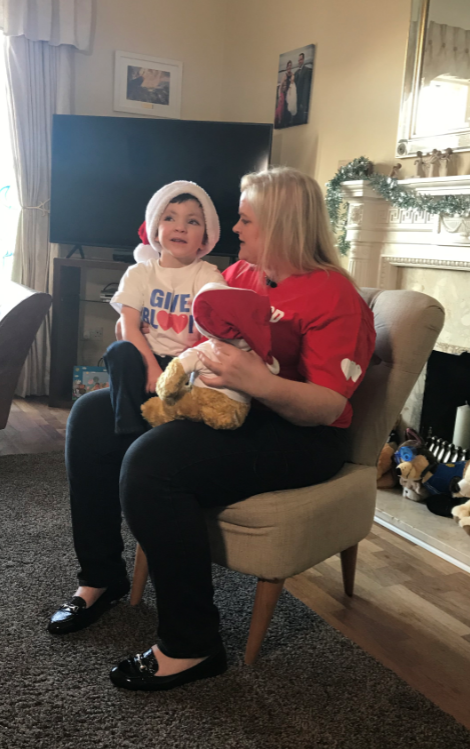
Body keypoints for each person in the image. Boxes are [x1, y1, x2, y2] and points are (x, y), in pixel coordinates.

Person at [47, 167, 376, 693]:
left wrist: (257, 383)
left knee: (152, 465)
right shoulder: (243, 275)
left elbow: (327, 405)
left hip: (300, 433)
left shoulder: (336, 298)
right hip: (225, 403)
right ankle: (101, 577)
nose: (237, 230)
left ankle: (192, 643)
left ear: (282, 224)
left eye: (246, 219)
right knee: (90, 418)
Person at [103, 181, 225, 435]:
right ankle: (128, 432)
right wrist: (152, 368)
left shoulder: (209, 276)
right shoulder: (139, 273)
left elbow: (218, 331)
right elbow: (128, 325)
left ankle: (166, 433)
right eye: (169, 218)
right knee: (119, 351)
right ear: (155, 231)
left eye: (193, 221)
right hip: (146, 358)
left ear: (205, 237)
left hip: (186, 366)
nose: (180, 227)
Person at [274, 61, 297, 129]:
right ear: (287, 67)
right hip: (284, 94)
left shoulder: (293, 75)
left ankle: (288, 122)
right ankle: (282, 122)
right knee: (283, 109)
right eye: (288, 66)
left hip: (289, 95)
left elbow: (292, 85)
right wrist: (280, 96)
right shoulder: (284, 76)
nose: (289, 67)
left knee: (289, 109)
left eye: (290, 66)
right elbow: (281, 86)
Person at [293, 52, 313, 125]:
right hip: (296, 100)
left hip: (302, 100)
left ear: (303, 60)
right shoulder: (296, 73)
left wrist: (304, 103)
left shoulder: (306, 71)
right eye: (298, 60)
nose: (299, 61)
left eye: (301, 59)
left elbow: (306, 87)